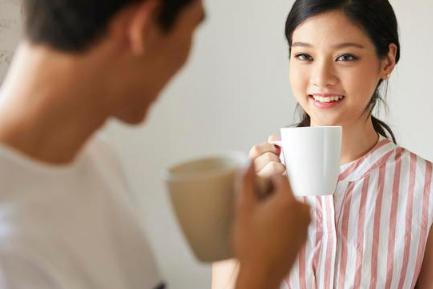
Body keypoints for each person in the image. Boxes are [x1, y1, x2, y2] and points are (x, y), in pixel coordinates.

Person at [0, 0, 312, 288]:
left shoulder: (97, 158)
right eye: (194, 27)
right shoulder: (10, 250)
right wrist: (260, 273)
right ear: (144, 27)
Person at [212, 0, 433, 288]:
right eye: (304, 55)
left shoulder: (432, 191)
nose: (321, 78)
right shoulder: (248, 188)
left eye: (345, 57)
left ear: (387, 61)